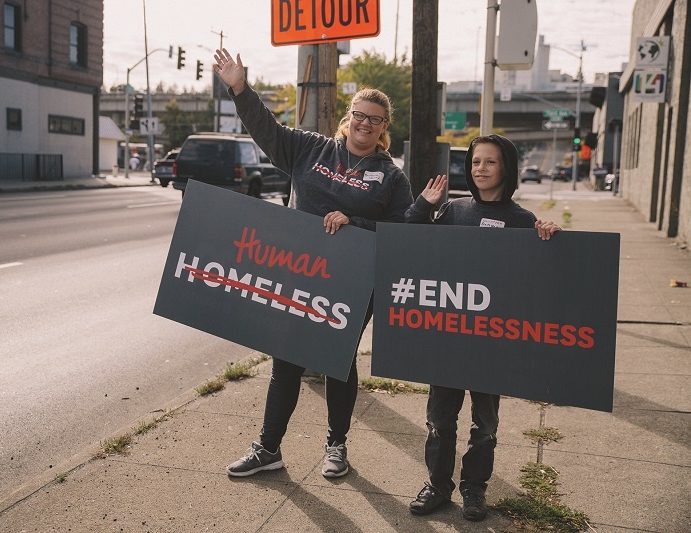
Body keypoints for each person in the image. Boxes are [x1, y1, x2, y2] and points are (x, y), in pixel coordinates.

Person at [213, 48, 413, 479]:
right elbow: (264, 129)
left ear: (384, 129)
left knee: (338, 362)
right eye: (360, 114)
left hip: (354, 284)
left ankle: (337, 447)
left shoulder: (392, 177)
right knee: (285, 361)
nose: (365, 123)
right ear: (349, 116)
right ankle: (269, 449)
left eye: (375, 119)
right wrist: (239, 88)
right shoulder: (308, 150)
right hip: (298, 274)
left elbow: (403, 232)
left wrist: (356, 221)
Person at [405, 134, 561, 522]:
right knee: (439, 419)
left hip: (493, 344)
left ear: (506, 168)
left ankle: (475, 489)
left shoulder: (523, 221)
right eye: (475, 162)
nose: (480, 169)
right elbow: (410, 237)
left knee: (485, 424)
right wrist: (424, 205)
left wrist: (551, 238)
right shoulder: (454, 210)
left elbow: (540, 276)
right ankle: (438, 486)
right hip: (450, 339)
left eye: (490, 162)